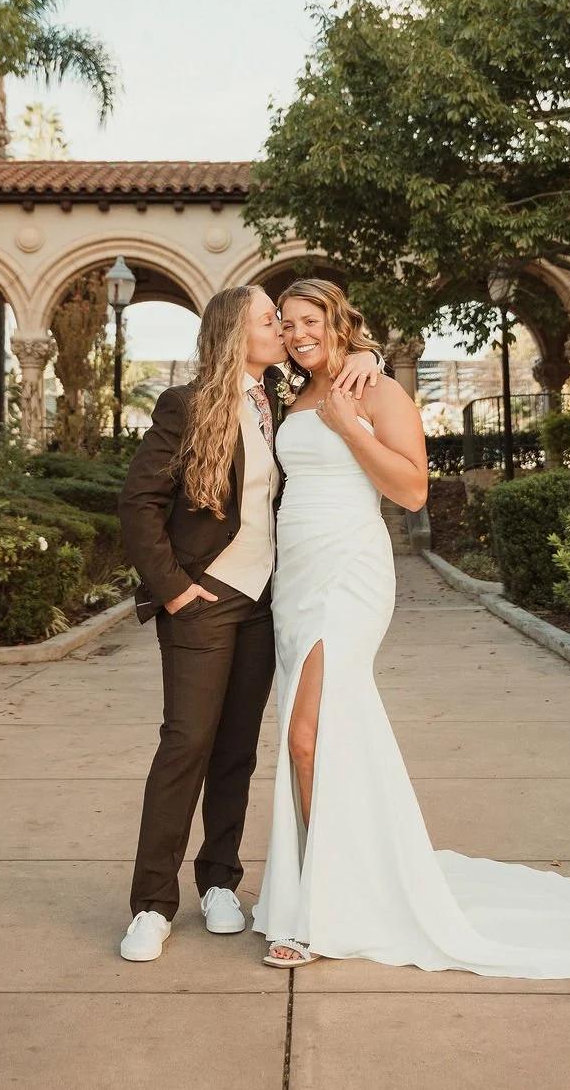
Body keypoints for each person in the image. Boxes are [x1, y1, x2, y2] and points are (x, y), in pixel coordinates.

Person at [252, 278, 570, 977]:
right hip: (297, 577)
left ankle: (326, 905)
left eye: (310, 319)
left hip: (349, 572)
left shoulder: (376, 391)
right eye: (286, 322)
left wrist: (349, 425)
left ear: (337, 320)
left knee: (309, 738)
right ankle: (329, 884)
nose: (297, 331)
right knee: (314, 736)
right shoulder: (295, 393)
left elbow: (410, 489)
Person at [113, 284, 380, 962]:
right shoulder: (186, 404)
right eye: (270, 321)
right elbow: (139, 502)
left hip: (268, 599)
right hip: (204, 598)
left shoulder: (282, 398)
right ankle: (151, 902)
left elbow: (341, 370)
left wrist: (371, 356)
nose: (283, 332)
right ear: (238, 332)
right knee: (187, 742)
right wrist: (173, 591)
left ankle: (220, 880)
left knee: (237, 748)